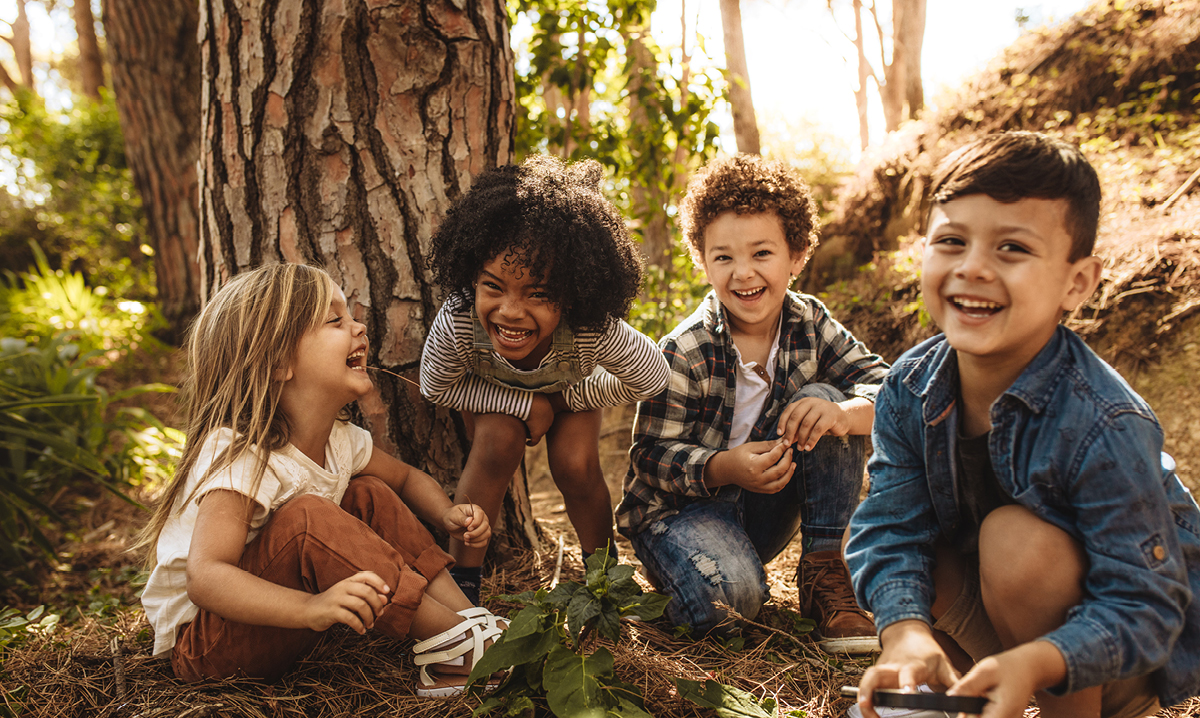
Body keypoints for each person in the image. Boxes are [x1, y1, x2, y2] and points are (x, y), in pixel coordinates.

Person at [846, 132, 1200, 718]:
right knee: (918, 555)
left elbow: (1145, 603)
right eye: (952, 241)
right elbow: (889, 526)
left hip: (1116, 652)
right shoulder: (911, 385)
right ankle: (959, 698)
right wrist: (904, 631)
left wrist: (1037, 661)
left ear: (1077, 283)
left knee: (1016, 542)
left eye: (1012, 248)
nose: (974, 267)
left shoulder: (1104, 420)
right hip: (999, 622)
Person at [137, 263, 506, 697]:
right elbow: (207, 577)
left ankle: (466, 622)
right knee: (309, 517)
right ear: (277, 361)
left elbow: (405, 479)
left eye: (351, 316)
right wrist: (310, 608)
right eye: (336, 320)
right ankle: (459, 646)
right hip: (210, 645)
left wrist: (445, 513)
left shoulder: (341, 441)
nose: (359, 327)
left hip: (276, 622)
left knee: (367, 492)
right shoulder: (241, 453)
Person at [617, 154, 889, 652]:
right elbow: (649, 457)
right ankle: (702, 580)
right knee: (731, 603)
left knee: (825, 401)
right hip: (680, 516)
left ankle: (825, 571)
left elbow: (891, 389)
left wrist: (845, 413)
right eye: (723, 257)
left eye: (762, 253)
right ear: (703, 262)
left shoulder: (811, 322)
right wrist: (724, 467)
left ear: (798, 255)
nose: (743, 274)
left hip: (764, 508)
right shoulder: (685, 349)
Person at [419, 155, 671, 604]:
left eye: (538, 294)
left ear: (573, 295)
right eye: (493, 286)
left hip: (570, 395)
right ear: (472, 277)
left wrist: (566, 399)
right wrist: (523, 405)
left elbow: (651, 375)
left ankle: (604, 581)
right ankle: (462, 592)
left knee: (575, 465)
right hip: (493, 399)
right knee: (497, 442)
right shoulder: (459, 320)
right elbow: (435, 387)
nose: (511, 311)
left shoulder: (592, 328)